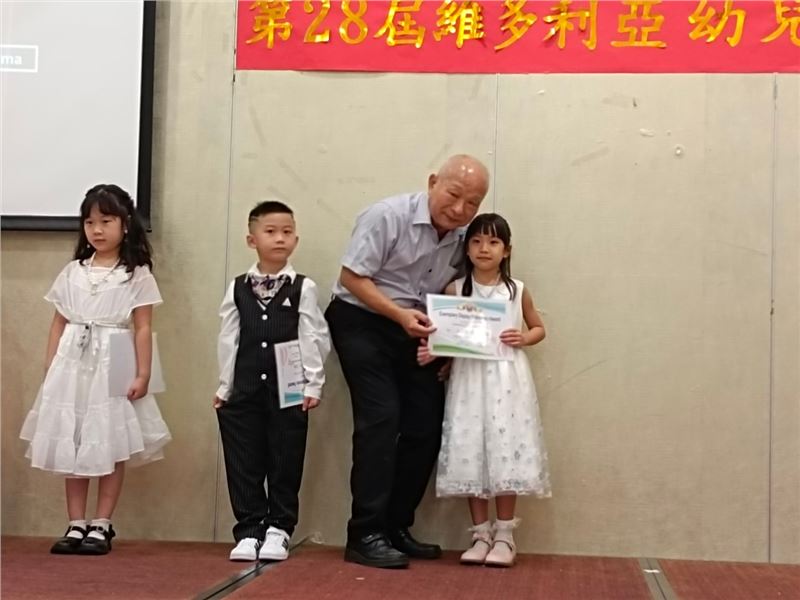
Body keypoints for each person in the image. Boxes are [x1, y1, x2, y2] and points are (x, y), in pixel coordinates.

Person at [325, 155, 490, 568]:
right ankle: (364, 533)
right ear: (433, 182)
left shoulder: (466, 237)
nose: (460, 209)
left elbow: (461, 297)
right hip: (362, 319)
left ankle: (396, 526)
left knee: (426, 425)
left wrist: (450, 347)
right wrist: (398, 315)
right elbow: (351, 278)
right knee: (381, 419)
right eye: (454, 194)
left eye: (472, 203)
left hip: (417, 328)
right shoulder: (386, 216)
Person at [20, 184, 171, 555]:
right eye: (90, 222)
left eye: (106, 221)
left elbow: (143, 327)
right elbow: (58, 322)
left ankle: (102, 522)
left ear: (125, 224)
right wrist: (51, 366)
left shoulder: (136, 274)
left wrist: (142, 374)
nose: (97, 229)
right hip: (73, 363)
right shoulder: (73, 272)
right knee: (72, 438)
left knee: (108, 441)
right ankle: (76, 522)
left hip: (113, 359)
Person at [419, 212, 551, 568]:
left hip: (507, 379)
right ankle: (480, 534)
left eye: (493, 242)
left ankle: (505, 535)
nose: (484, 248)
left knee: (505, 449)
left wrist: (523, 337)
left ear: (507, 250)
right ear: (466, 247)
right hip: (468, 380)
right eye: (476, 241)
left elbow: (539, 327)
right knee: (471, 449)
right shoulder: (454, 289)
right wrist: (435, 352)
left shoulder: (516, 290)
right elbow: (445, 334)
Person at [214, 200, 330, 562]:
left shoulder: (302, 287)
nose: (280, 238)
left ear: (296, 239)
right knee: (243, 459)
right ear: (252, 240)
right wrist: (224, 387)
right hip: (245, 387)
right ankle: (249, 528)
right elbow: (228, 339)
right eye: (271, 231)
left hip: (288, 389)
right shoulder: (237, 287)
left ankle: (279, 527)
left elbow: (313, 336)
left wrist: (313, 384)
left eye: (287, 232)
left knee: (285, 457)